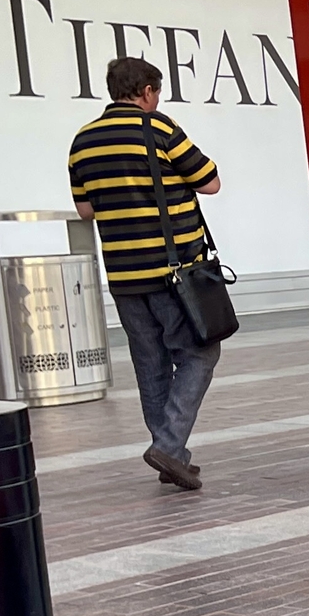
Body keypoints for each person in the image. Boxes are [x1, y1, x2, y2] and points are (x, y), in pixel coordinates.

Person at [71, 57, 224, 492]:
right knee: (199, 353)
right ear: (148, 91)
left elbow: (86, 209)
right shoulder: (157, 128)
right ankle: (170, 446)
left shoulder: (83, 140)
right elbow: (210, 181)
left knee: (151, 364)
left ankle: (169, 455)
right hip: (171, 271)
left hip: (123, 274)